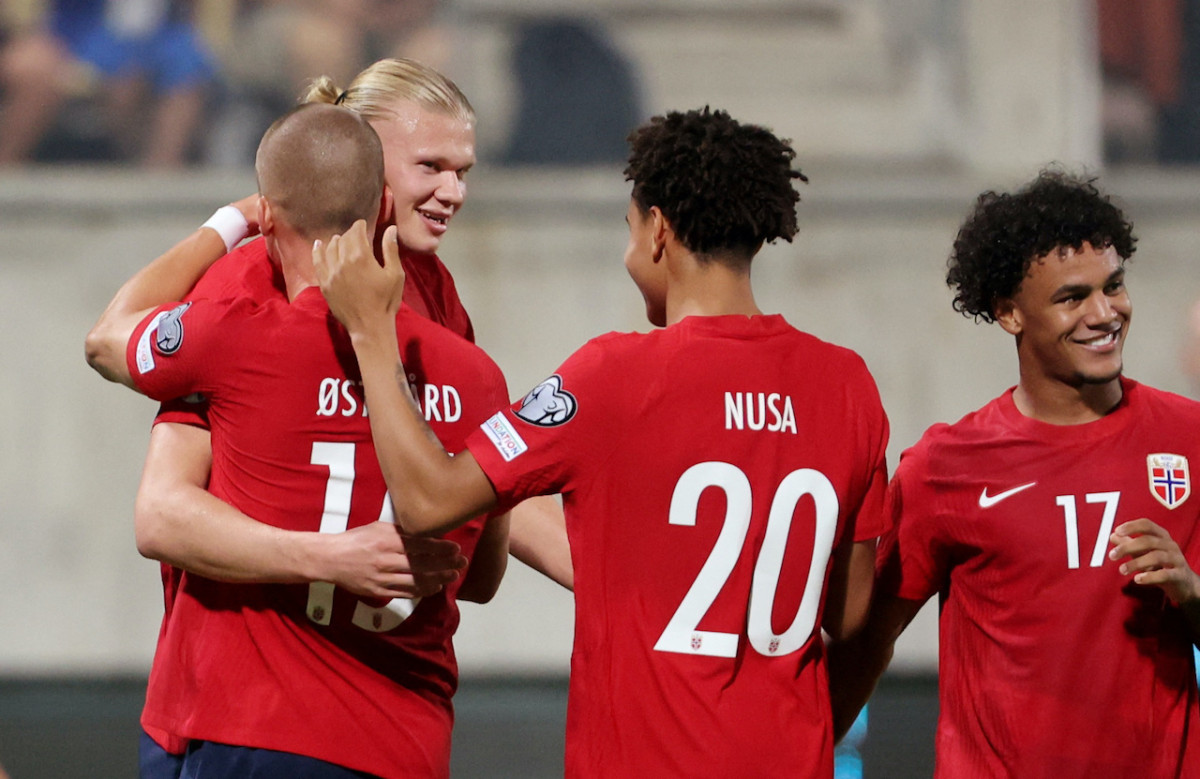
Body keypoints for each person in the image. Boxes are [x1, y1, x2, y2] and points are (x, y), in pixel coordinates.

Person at [313, 106, 891, 777]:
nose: (627, 253)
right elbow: (851, 617)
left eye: (629, 229)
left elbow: (425, 500)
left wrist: (371, 331)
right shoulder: (846, 385)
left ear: (658, 231)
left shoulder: (616, 375)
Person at [92, 56, 566, 776]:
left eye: (463, 170)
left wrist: (610, 583)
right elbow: (163, 511)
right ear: (365, 164)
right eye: (431, 166)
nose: (454, 191)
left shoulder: (435, 295)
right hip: (228, 707)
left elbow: (468, 482)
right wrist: (331, 555)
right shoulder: (247, 283)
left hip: (373, 713)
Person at [828, 169, 1200, 777]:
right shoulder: (946, 466)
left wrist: (1191, 591)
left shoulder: (1189, 439)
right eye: (1072, 297)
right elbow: (865, 640)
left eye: (1114, 286)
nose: (1105, 313)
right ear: (1008, 312)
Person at [0, 0, 216, 166]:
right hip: (82, 34)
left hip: (159, 34)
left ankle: (160, 175)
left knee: (186, 74)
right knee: (123, 85)